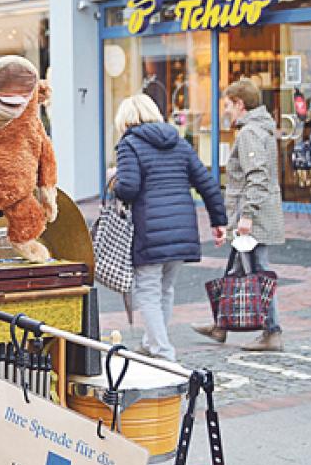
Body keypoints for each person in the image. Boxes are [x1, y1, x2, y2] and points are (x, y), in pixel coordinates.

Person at [111, 94, 227, 361]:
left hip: (150, 229)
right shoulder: (179, 142)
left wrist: (114, 181)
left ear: (125, 119)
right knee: (165, 289)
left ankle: (163, 352)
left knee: (149, 291)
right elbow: (207, 183)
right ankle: (152, 342)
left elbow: (128, 188)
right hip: (182, 228)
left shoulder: (130, 144)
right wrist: (218, 222)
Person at [193, 79, 285, 351]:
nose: (227, 111)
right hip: (250, 216)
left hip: (253, 219)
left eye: (228, 105)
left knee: (257, 272)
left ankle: (273, 331)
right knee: (235, 269)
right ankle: (220, 326)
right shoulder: (260, 129)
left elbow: (257, 176)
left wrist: (247, 216)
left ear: (240, 104)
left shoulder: (249, 134)